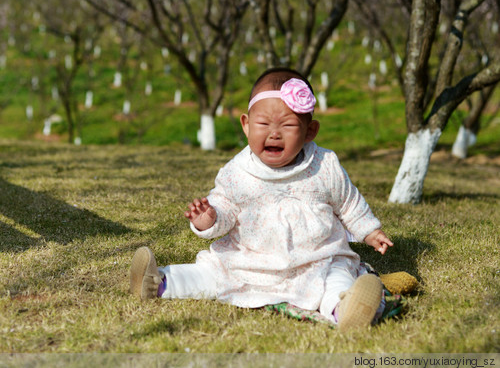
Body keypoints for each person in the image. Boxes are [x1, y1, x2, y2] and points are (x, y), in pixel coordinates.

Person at [130, 67, 393, 330]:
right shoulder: (238, 172)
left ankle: (347, 309)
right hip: (250, 262)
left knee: (336, 278)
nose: (274, 133)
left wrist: (370, 231)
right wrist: (209, 218)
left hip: (317, 261)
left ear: (310, 131)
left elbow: (349, 203)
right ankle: (159, 282)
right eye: (263, 124)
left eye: (288, 125)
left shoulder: (325, 165)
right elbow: (224, 208)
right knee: (213, 273)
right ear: (246, 125)